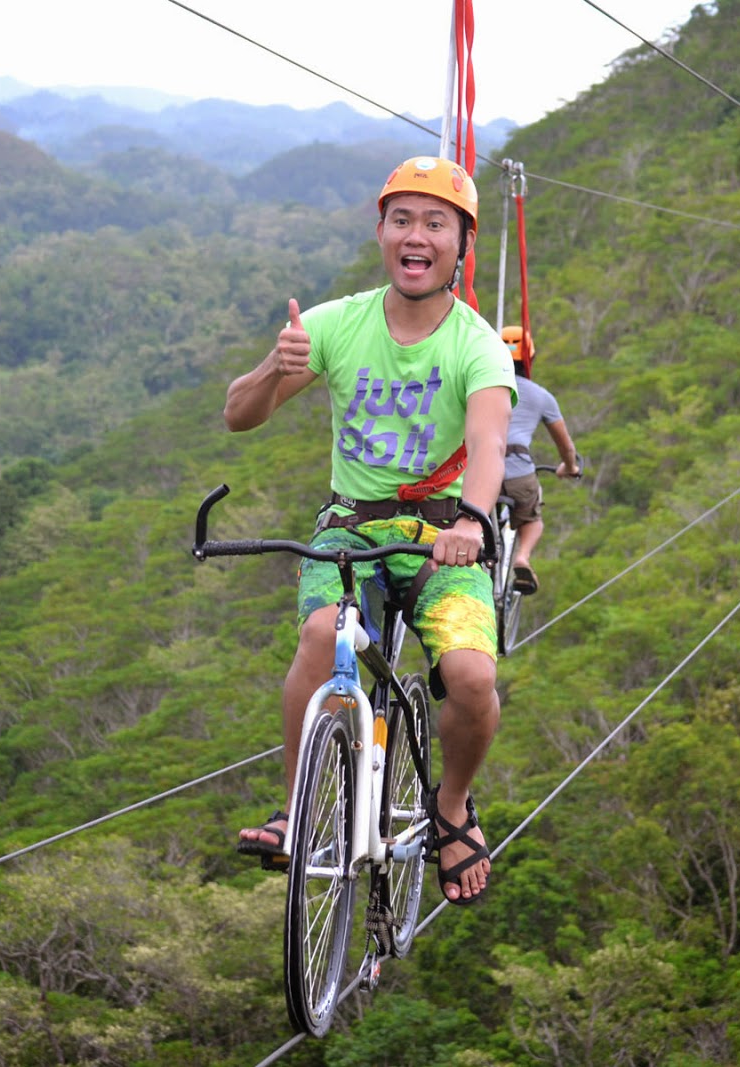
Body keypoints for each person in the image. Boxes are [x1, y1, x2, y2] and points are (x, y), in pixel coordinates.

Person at [224, 156, 516, 905]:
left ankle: (451, 809)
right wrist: (273, 366)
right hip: (351, 531)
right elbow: (240, 413)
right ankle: (297, 808)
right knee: (322, 635)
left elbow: (486, 446)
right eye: (402, 219)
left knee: (474, 679)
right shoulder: (332, 325)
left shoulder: (476, 345)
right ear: (382, 232)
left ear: (461, 245)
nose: (416, 235)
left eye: (435, 223)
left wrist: (475, 524)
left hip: (445, 536)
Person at [497, 325, 581, 596]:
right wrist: (569, 467)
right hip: (519, 474)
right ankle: (522, 556)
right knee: (532, 516)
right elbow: (565, 446)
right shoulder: (541, 396)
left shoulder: (480, 387)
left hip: (479, 469)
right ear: (530, 359)